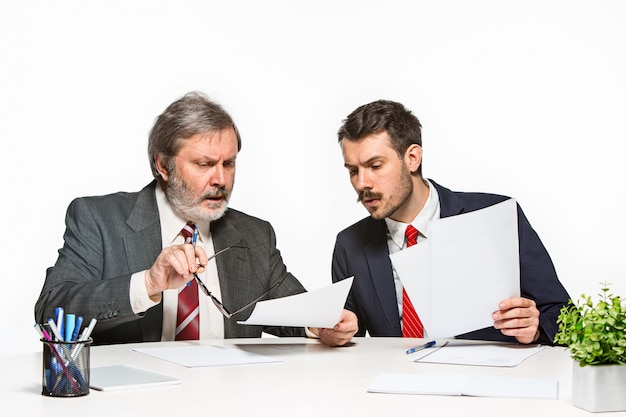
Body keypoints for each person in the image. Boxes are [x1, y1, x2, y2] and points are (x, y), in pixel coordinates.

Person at [35, 91, 356, 347]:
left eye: (228, 163)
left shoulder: (255, 235)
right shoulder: (99, 220)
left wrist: (323, 324)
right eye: (204, 164)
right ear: (163, 165)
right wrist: (147, 283)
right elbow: (51, 311)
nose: (221, 179)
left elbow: (295, 314)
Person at [331, 99, 570, 344]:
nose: (362, 183)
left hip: (484, 377)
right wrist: (335, 331)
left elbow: (565, 315)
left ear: (412, 158)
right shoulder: (350, 245)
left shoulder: (494, 217)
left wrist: (537, 326)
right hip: (394, 379)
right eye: (353, 171)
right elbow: (349, 337)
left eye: (375, 166)